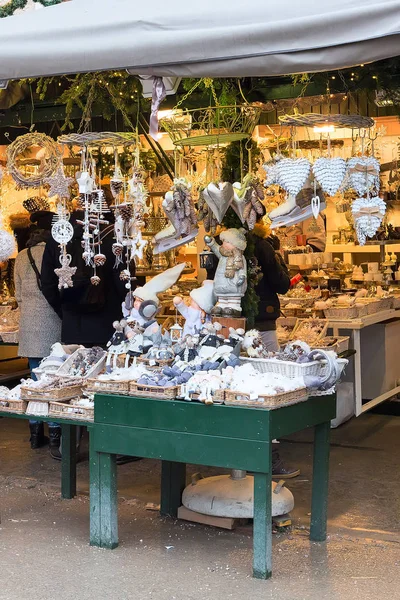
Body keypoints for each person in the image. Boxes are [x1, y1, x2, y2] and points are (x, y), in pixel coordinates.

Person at [253, 211, 300, 478]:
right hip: (263, 320)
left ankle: (245, 453)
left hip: (232, 321)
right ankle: (270, 458)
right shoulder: (263, 246)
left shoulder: (225, 240)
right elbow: (281, 284)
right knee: (270, 383)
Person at [14, 210, 62, 459]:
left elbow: (18, 295)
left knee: (34, 380)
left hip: (30, 324)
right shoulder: (56, 254)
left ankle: (35, 434)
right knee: (53, 378)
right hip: (53, 322)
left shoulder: (21, 257)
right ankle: (55, 433)